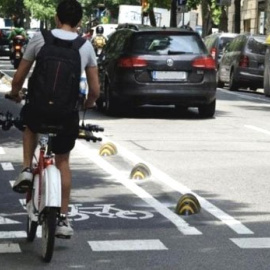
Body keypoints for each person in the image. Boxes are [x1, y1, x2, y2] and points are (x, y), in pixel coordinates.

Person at [6, 0, 100, 238]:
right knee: (63, 162)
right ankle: (63, 218)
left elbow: (19, 77)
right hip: (66, 113)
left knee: (29, 125)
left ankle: (27, 169)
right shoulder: (85, 46)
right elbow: (95, 90)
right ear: (79, 22)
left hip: (38, 107)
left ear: (57, 18)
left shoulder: (41, 38)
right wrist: (88, 104)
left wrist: (15, 93)